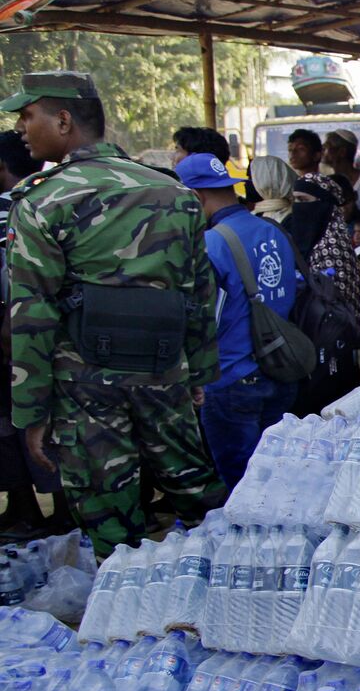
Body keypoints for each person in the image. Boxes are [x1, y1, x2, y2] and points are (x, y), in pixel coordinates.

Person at [2, 71, 225, 557]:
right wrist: (199, 374)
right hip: (165, 374)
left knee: (111, 521)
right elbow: (198, 293)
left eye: (28, 116)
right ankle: (230, 588)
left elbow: (31, 315)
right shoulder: (175, 194)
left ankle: (130, 615)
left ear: (63, 121)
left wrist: (31, 412)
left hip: (86, 389)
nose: (20, 128)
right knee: (201, 503)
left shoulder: (42, 202)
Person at [175, 153, 300, 490]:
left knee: (241, 486)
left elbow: (205, 320)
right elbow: (296, 285)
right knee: (275, 478)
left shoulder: (211, 243)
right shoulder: (273, 229)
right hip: (280, 370)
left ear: (195, 197)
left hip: (231, 378)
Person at [0, 130, 71, 537]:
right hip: (46, 339)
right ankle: (43, 509)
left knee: (23, 430)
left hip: (22, 340)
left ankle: (42, 510)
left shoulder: (22, 211)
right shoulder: (49, 204)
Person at [286, 129, 360, 334]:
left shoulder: (335, 249)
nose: (299, 208)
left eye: (304, 201)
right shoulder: (302, 240)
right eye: (295, 201)